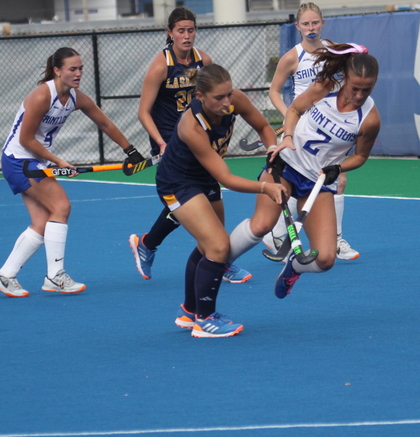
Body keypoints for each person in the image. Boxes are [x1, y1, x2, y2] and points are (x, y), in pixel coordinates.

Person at [226, 43, 380, 299]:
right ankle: (218, 262)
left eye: (367, 89)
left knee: (326, 258)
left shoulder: (370, 119)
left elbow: (361, 156)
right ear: (345, 78)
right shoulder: (325, 87)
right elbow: (295, 109)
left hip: (317, 182)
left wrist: (338, 167)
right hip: (286, 166)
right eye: (355, 88)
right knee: (262, 225)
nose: (360, 95)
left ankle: (294, 267)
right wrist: (286, 137)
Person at [0, 47, 144, 297]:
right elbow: (26, 139)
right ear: (57, 71)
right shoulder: (41, 96)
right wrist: (57, 161)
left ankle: (5, 275)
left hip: (35, 160)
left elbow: (104, 122)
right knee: (61, 207)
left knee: (42, 223)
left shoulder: (75, 97)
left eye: (81, 68)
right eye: (73, 69)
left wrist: (130, 150)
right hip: (20, 160)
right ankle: (55, 276)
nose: (79, 72)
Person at [154, 64, 284, 337]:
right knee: (218, 246)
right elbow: (226, 177)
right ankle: (205, 320)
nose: (227, 103)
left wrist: (273, 149)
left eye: (228, 94)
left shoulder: (234, 98)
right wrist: (265, 187)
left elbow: (262, 125)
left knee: (208, 246)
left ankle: (190, 312)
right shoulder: (192, 126)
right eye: (219, 98)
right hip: (177, 183)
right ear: (200, 96)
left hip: (204, 178)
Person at [130, 7, 252, 283]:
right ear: (170, 33)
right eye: (180, 31)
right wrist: (160, 142)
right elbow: (143, 112)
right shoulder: (161, 65)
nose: (186, 35)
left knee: (202, 197)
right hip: (170, 143)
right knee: (191, 198)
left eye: (191, 30)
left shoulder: (203, 60)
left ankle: (156, 245)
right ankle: (214, 254)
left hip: (197, 138)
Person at [265, 2, 359, 261]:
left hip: (329, 130)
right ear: (297, 27)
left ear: (322, 23)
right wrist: (289, 117)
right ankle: (278, 233)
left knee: (337, 180)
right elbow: (274, 90)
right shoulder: (292, 57)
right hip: (301, 129)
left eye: (314, 23)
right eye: (305, 24)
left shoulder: (333, 51)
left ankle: (336, 240)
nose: (310, 28)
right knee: (300, 181)